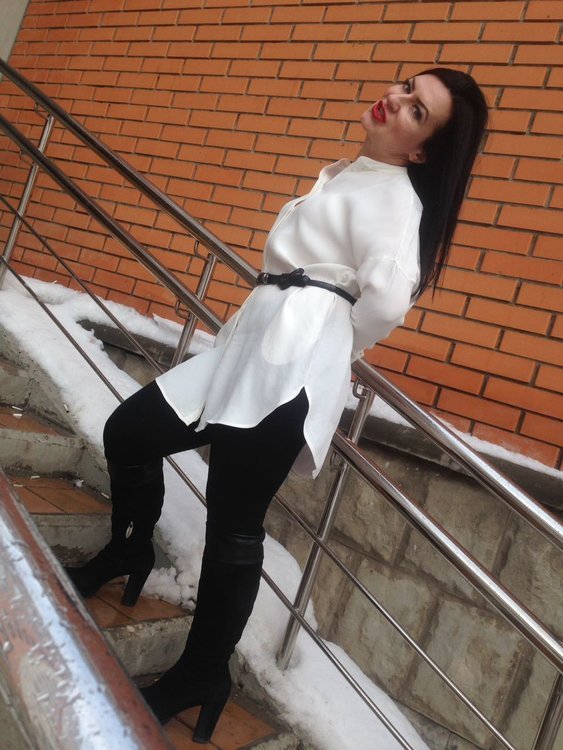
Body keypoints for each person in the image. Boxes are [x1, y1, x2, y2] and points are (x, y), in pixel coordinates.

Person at [66, 67, 488, 743]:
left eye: (417, 110)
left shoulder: (397, 202)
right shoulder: (350, 176)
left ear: (421, 151)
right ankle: (128, 550)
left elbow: (385, 302)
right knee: (131, 432)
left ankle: (202, 673)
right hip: (248, 347)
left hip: (291, 366)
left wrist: (327, 337)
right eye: (405, 87)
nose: (397, 99)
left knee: (234, 526)